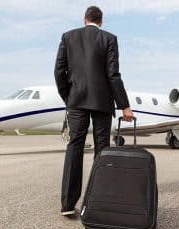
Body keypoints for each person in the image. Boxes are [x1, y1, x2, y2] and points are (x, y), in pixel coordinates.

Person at [54, 6, 133, 216]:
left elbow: (59, 71)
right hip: (102, 102)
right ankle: (99, 199)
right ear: (101, 21)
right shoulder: (109, 39)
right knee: (102, 149)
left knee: (75, 146)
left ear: (85, 19)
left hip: (76, 101)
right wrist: (124, 104)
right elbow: (113, 74)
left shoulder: (68, 37)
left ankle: (68, 205)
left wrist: (68, 97)